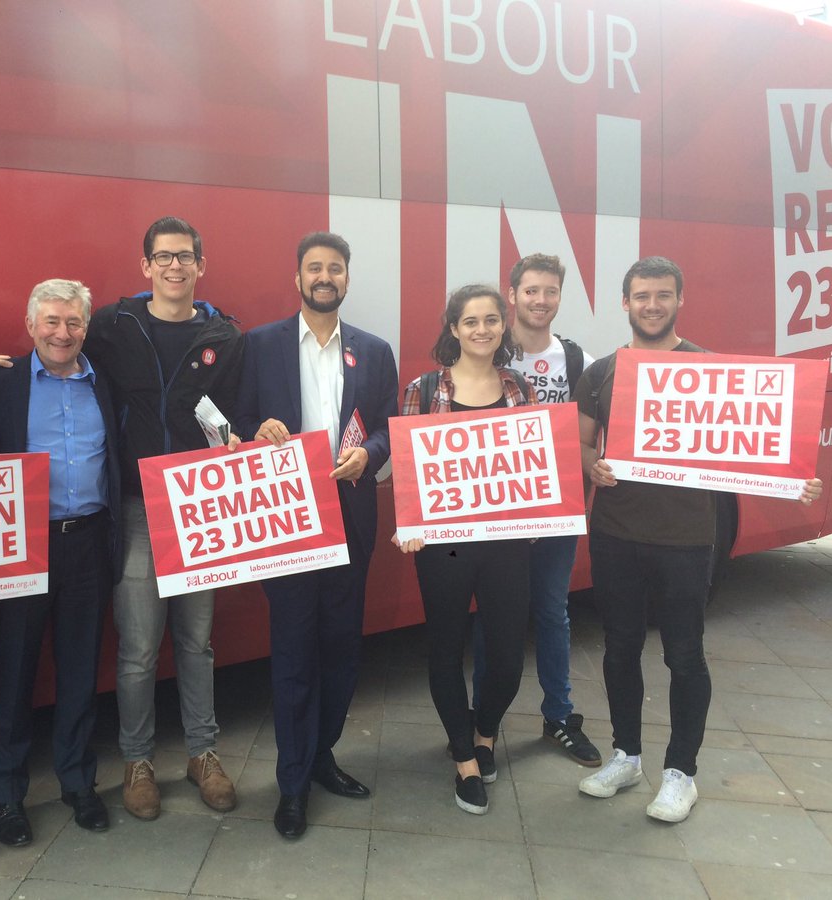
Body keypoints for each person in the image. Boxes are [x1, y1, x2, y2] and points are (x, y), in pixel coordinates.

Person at [577, 256, 822, 822]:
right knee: (619, 648)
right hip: (615, 533)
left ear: (679, 300)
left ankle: (681, 773)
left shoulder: (712, 371)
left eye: (663, 295)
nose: (652, 305)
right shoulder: (604, 372)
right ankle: (626, 755)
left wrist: (795, 482)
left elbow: (755, 447)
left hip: (687, 540)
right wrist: (594, 465)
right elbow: (582, 445)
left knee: (685, 655)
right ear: (625, 302)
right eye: (642, 296)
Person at [236, 231, 397, 839]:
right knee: (294, 652)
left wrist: (370, 456)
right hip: (287, 521)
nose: (324, 277)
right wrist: (256, 431)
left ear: (347, 279)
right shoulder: (260, 345)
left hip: (350, 514)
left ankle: (322, 752)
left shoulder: (374, 351)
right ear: (297, 278)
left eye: (334, 268)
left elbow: (388, 427)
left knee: (342, 649)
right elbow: (232, 419)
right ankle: (292, 780)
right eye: (313, 268)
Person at [82, 216, 243, 820]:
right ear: (145, 266)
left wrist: (242, 438)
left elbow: (231, 414)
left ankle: (203, 753)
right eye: (163, 256)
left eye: (186, 256)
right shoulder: (112, 326)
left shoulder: (225, 336)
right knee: (139, 648)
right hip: (137, 507)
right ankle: (137, 761)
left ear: (201, 266)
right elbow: (61, 361)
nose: (175, 266)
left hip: (201, 508)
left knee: (197, 641)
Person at [0, 279, 121, 842]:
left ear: (86, 327)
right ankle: (6, 795)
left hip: (89, 540)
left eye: (74, 322)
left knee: (81, 668)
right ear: (31, 323)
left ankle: (78, 782)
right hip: (20, 544)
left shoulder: (104, 383)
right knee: (13, 672)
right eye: (53, 321)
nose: (63, 333)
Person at [393, 284, 533, 817]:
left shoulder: (519, 387)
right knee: (447, 647)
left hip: (505, 544)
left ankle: (485, 728)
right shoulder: (424, 389)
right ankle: (464, 757)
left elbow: (536, 464)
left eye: (491, 320)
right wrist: (408, 522)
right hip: (446, 548)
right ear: (453, 328)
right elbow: (408, 466)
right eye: (470, 321)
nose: (481, 330)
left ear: (503, 326)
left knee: (506, 656)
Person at [471, 253, 600, 767]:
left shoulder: (577, 361)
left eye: (549, 291)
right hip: (496, 512)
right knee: (491, 615)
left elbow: (589, 437)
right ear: (513, 295)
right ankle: (484, 722)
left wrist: (597, 472)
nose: (540, 300)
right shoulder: (486, 353)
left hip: (554, 509)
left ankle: (559, 716)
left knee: (551, 611)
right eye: (530, 291)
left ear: (559, 297)